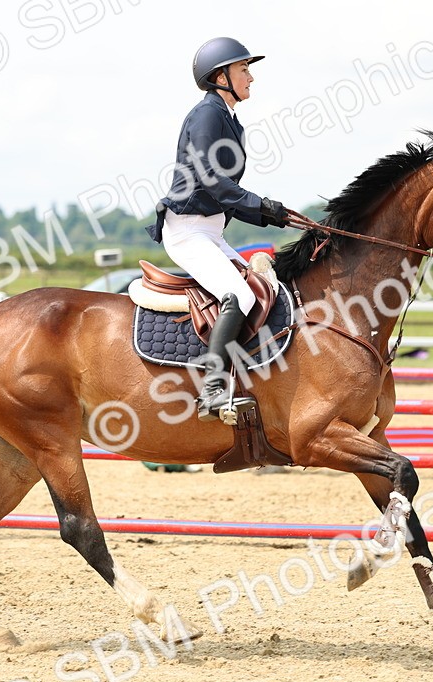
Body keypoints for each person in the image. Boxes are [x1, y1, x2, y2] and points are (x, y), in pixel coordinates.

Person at [146, 36, 289, 421]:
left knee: (263, 289)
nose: (251, 78)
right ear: (220, 75)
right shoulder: (207, 114)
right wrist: (263, 207)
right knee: (238, 296)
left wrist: (272, 214)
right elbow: (216, 185)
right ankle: (211, 389)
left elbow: (227, 198)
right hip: (188, 230)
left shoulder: (230, 119)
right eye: (244, 69)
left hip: (210, 230)